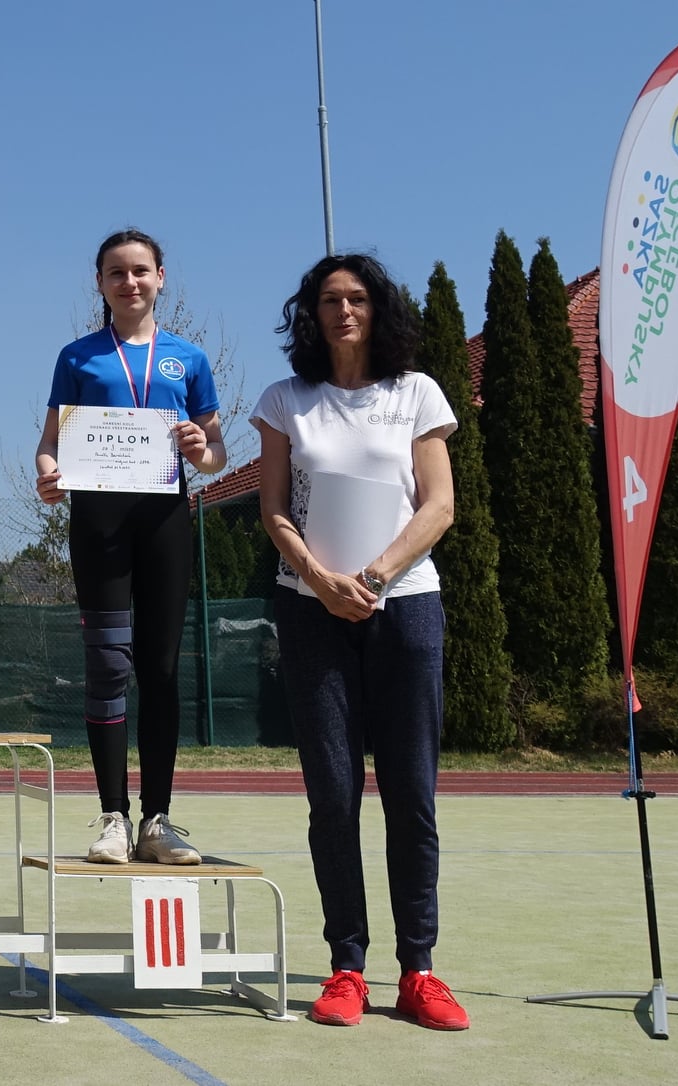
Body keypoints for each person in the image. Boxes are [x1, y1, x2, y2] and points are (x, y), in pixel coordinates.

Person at [250, 252, 468, 1031]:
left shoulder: (417, 393)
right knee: (333, 797)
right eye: (329, 299)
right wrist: (319, 578)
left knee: (411, 795)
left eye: (358, 298)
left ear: (379, 309)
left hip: (405, 608)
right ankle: (346, 966)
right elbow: (274, 510)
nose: (344, 310)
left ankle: (419, 971)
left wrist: (373, 576)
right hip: (311, 614)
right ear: (310, 314)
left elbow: (439, 505)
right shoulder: (286, 400)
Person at [34, 230, 225, 866]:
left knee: (161, 669)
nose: (130, 282)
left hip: (164, 520)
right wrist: (49, 474)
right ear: (100, 283)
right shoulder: (78, 357)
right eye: (116, 272)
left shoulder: (189, 359)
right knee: (109, 665)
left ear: (161, 277)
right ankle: (114, 817)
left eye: (140, 270)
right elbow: (50, 444)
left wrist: (201, 449)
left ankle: (157, 820)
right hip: (98, 523)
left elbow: (217, 453)